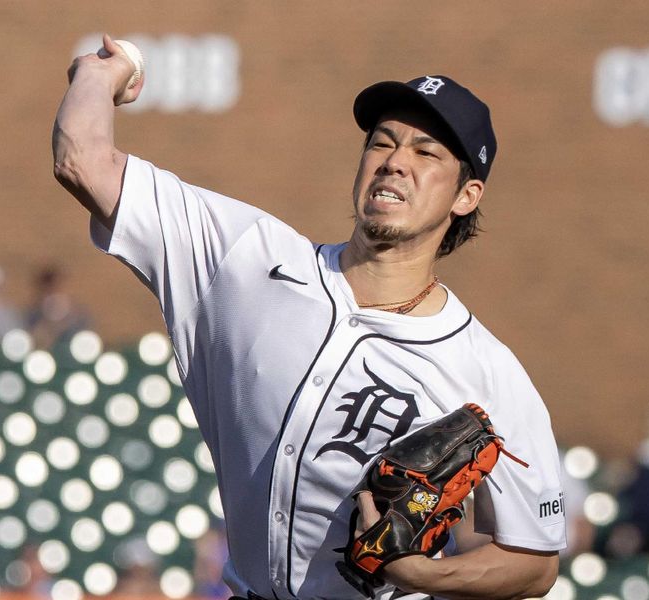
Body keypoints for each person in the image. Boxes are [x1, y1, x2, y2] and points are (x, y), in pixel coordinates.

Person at [53, 34, 566, 600]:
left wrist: (421, 574)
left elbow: (535, 563)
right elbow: (82, 160)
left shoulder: (488, 373)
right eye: (382, 143)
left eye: (426, 152)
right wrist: (100, 74)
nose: (395, 162)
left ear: (466, 196)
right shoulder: (246, 259)